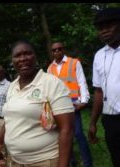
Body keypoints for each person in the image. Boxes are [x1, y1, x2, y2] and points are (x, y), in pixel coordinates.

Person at [0, 40, 74, 167]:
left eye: (27, 53)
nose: (23, 59)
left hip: (44, 161)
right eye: (17, 56)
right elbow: (10, 119)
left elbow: (67, 129)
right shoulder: (13, 85)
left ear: (35, 57)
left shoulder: (52, 83)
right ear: (12, 60)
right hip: (15, 162)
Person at [47, 42, 92, 167]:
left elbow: (82, 82)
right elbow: (50, 89)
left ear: (63, 50)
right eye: (54, 50)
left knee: (77, 133)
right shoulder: (50, 68)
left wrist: (84, 101)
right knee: (64, 134)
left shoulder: (74, 62)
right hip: (58, 104)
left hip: (73, 102)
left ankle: (88, 163)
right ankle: (71, 162)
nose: (57, 52)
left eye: (59, 49)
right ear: (52, 52)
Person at [88, 8, 120, 167]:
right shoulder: (99, 55)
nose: (104, 31)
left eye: (109, 25)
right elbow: (99, 91)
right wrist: (93, 122)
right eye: (100, 28)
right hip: (110, 121)